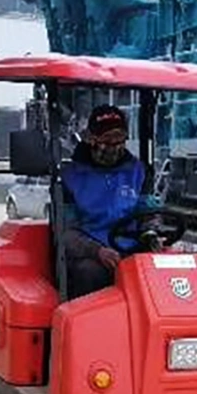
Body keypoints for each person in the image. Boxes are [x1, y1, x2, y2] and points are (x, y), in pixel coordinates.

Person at [61, 104, 151, 298]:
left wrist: (151, 234)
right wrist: (97, 251)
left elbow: (149, 212)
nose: (114, 147)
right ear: (91, 139)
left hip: (132, 250)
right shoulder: (71, 178)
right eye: (107, 140)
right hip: (91, 254)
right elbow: (66, 233)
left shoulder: (138, 172)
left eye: (119, 139)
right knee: (89, 272)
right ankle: (87, 326)